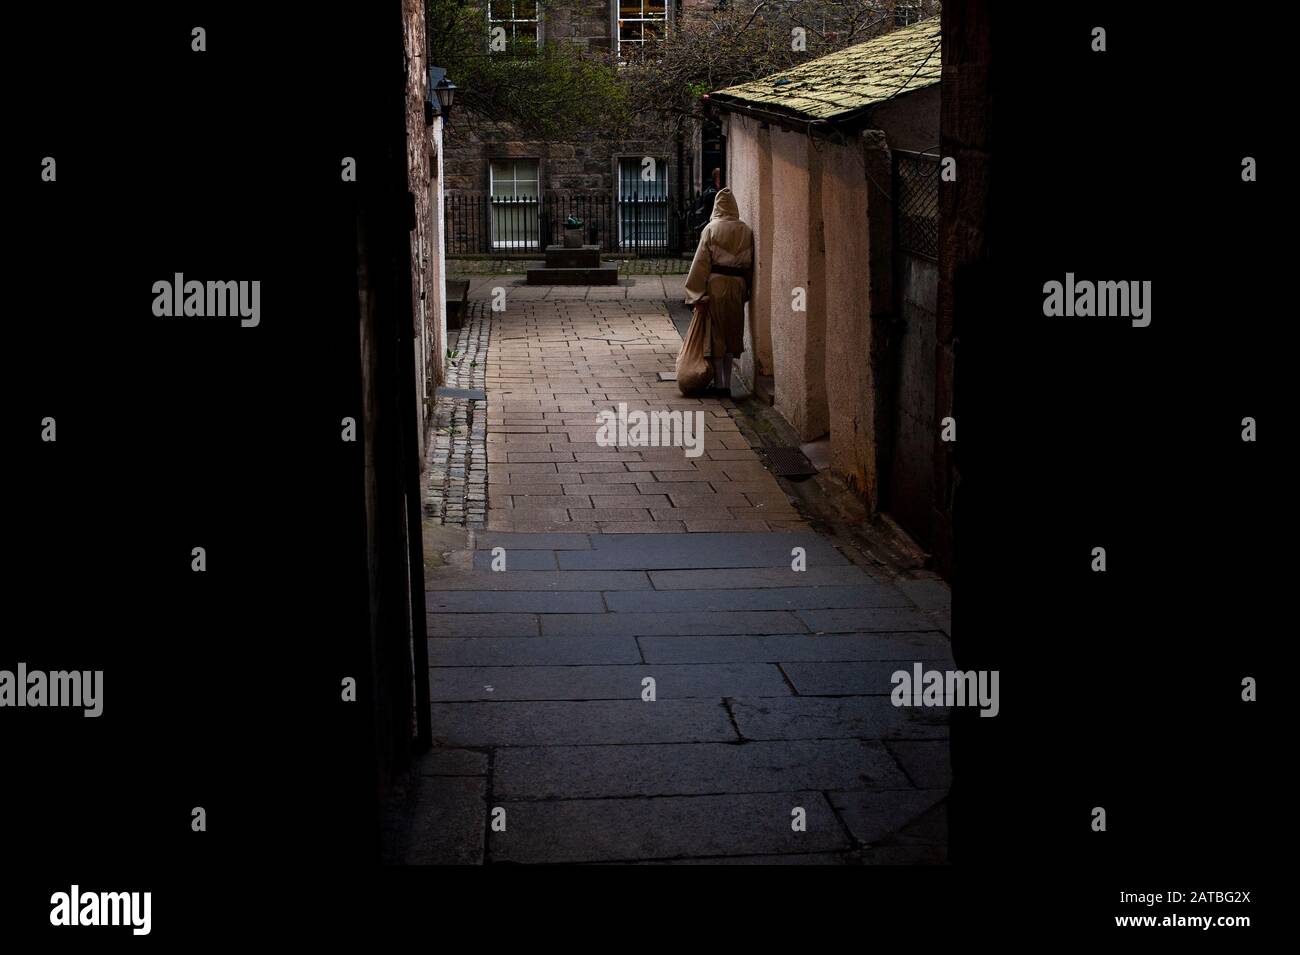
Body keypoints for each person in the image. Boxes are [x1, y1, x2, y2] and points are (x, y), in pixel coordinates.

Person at [682, 186, 754, 398]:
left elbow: (701, 262)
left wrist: (695, 293)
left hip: (716, 284)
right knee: (732, 331)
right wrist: (747, 288)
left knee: (716, 336)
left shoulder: (711, 229)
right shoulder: (746, 230)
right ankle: (728, 383)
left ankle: (720, 384)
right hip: (738, 285)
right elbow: (749, 264)